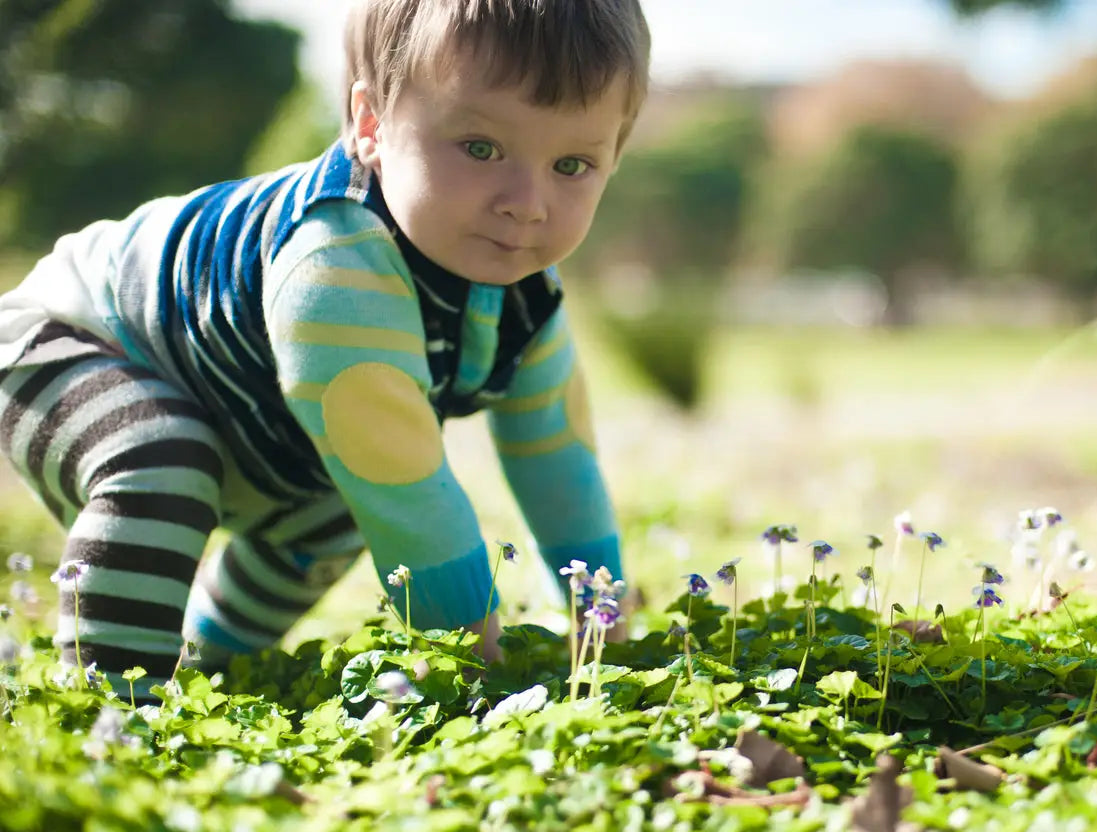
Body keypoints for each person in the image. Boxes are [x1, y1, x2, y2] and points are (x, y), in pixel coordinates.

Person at [0, 0, 649, 679]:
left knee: (338, 502)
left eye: (572, 165)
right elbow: (410, 498)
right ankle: (115, 697)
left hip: (241, 416)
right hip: (72, 343)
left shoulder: (527, 295)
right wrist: (479, 668)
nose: (527, 202)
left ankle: (212, 655)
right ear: (370, 124)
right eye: (481, 149)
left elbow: (559, 462)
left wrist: (603, 629)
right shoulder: (334, 265)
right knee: (171, 459)